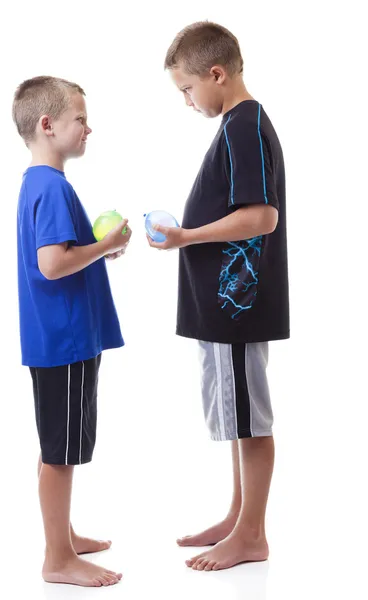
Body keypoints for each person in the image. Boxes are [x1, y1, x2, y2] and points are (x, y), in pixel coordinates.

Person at [148, 22, 289, 572]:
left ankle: (252, 534)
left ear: (216, 73)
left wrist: (186, 236)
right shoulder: (238, 125)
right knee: (238, 414)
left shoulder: (245, 125)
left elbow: (262, 216)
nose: (187, 101)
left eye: (186, 89)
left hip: (239, 306)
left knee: (251, 419)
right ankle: (238, 517)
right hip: (229, 306)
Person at [13, 76, 131, 587]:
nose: (88, 128)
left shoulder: (37, 183)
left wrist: (98, 246)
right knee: (60, 453)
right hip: (64, 342)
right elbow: (54, 264)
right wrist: (105, 247)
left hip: (57, 339)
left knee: (55, 444)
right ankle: (58, 558)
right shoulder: (53, 187)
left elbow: (56, 259)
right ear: (47, 125)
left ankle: (63, 535)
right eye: (79, 119)